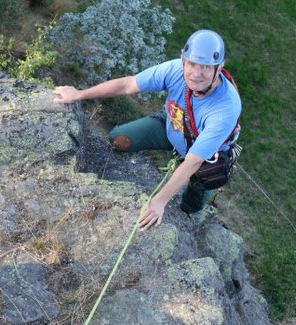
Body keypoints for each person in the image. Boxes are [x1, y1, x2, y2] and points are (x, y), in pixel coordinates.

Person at [53, 30, 241, 231]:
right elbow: (127, 85)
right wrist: (79, 94)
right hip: (172, 127)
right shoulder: (174, 70)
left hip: (205, 159)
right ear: (183, 60)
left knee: (190, 207)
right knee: (119, 139)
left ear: (218, 69)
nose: (196, 73)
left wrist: (160, 201)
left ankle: (196, 202)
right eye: (192, 64)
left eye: (205, 67)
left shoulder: (225, 109)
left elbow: (194, 161)